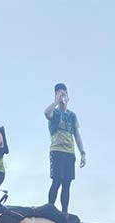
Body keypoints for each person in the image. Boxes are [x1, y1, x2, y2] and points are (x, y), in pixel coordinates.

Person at [44, 83, 86, 213]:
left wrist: (82, 153)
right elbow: (46, 113)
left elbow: (77, 134)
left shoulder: (72, 115)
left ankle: (64, 212)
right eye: (60, 93)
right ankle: (50, 209)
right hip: (57, 151)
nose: (63, 96)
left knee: (67, 184)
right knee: (57, 181)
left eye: (64, 93)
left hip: (69, 152)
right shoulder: (54, 112)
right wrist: (56, 100)